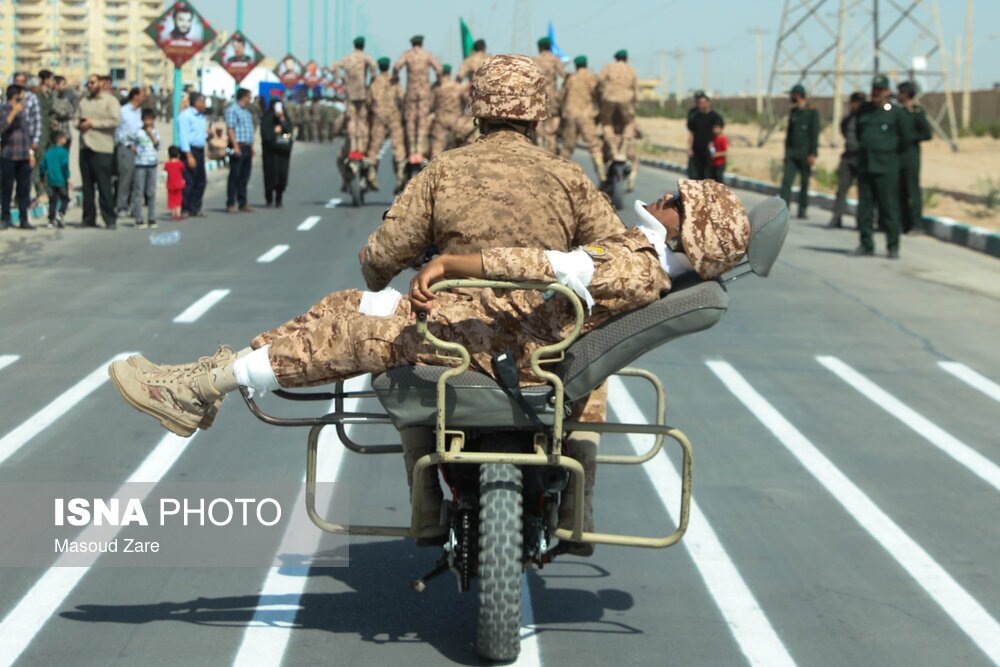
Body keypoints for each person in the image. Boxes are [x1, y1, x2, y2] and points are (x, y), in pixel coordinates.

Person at [108, 179, 750, 555]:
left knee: (357, 331)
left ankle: (200, 386)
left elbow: (546, 267)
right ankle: (210, 382)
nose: (666, 196)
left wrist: (452, 266)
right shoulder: (648, 264)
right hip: (509, 333)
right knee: (350, 306)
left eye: (679, 202)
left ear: (688, 231)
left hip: (494, 343)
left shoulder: (634, 267)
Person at [851, 75, 912, 259]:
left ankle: (892, 246)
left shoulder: (895, 112)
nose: (876, 93)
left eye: (880, 90)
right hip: (866, 165)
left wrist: (889, 155)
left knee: (889, 208)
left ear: (887, 91)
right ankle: (866, 243)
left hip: (886, 168)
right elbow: (861, 134)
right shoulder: (865, 110)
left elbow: (906, 139)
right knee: (865, 208)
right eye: (874, 90)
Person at [74, 74, 121, 229]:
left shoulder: (110, 101)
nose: (90, 85)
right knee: (87, 186)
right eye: (88, 83)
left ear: (101, 83)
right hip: (85, 147)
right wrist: (80, 124)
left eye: (93, 83)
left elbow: (115, 121)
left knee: (104, 185)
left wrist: (93, 123)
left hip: (102, 148)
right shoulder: (84, 101)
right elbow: (75, 119)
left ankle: (109, 218)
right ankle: (88, 218)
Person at [393, 35, 443, 163]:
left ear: (412, 44)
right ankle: (420, 150)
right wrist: (439, 81)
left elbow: (396, 67)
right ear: (422, 43)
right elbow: (438, 69)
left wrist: (395, 78)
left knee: (410, 121)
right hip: (424, 93)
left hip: (411, 93)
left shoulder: (407, 55)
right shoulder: (427, 55)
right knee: (422, 121)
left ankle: (412, 150)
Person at [597, 49, 639, 190]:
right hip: (626, 98)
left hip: (609, 97)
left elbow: (600, 81)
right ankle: (623, 149)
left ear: (615, 58)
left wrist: (604, 93)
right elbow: (636, 89)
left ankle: (614, 150)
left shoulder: (609, 67)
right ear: (626, 59)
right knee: (629, 122)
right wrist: (635, 104)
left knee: (606, 122)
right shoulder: (631, 70)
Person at [332, 36, 378, 157]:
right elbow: (374, 66)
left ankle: (353, 146)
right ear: (363, 45)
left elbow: (334, 67)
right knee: (362, 120)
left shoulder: (347, 58)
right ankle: (361, 147)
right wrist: (372, 80)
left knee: (352, 120)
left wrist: (340, 79)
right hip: (362, 93)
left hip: (350, 94)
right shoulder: (365, 57)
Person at [779, 84, 820, 219]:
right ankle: (783, 209)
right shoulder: (794, 112)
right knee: (786, 182)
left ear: (798, 95)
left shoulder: (812, 112)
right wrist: (786, 154)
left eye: (792, 95)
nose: (791, 97)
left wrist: (813, 153)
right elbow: (789, 135)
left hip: (805, 153)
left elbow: (814, 134)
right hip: (792, 153)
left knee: (804, 183)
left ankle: (802, 210)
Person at [897, 80, 932, 234]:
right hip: (898, 155)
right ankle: (904, 223)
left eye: (900, 92)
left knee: (912, 190)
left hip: (911, 155)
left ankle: (917, 224)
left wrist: (911, 137)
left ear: (906, 94)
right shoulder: (897, 111)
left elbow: (927, 134)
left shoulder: (917, 111)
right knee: (900, 190)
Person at [366, 57, 407, 192]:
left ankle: (371, 175)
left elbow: (368, 100)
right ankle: (401, 176)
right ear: (388, 67)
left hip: (378, 116)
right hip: (393, 116)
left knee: (374, 147)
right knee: (398, 147)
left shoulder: (374, 81)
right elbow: (401, 98)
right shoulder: (394, 81)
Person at [827, 91, 866, 229]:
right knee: (842, 189)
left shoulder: (867, 119)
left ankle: (862, 221)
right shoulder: (848, 119)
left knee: (863, 193)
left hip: (862, 158)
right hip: (848, 156)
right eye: (854, 102)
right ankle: (836, 217)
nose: (856, 105)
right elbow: (844, 130)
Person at [560, 55, 603, 179]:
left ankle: (560, 172)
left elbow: (561, 96)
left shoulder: (571, 79)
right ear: (586, 64)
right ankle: (600, 171)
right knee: (594, 145)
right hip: (586, 115)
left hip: (571, 115)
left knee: (567, 147)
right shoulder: (592, 77)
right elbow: (599, 94)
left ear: (576, 65)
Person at [0, 85, 36, 230]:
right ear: (14, 97)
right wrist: (13, 113)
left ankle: (24, 219)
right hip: (8, 155)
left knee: (23, 190)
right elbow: (1, 128)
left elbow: (28, 134)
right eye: (21, 97)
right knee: (6, 189)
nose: (23, 100)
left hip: (23, 155)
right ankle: (5, 218)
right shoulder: (3, 110)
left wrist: (31, 153)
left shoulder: (24, 112)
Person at [428, 64, 474, 159]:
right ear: (450, 73)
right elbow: (468, 102)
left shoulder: (436, 87)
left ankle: (434, 171)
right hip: (456, 121)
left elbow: (430, 104)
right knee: (456, 149)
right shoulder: (458, 87)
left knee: (437, 148)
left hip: (440, 121)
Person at [225, 88, 256, 213]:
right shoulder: (232, 110)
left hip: (247, 146)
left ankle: (243, 202)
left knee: (245, 176)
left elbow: (249, 130)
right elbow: (230, 128)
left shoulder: (247, 112)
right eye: (249, 96)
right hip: (237, 146)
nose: (250, 99)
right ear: (243, 97)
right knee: (235, 175)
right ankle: (231, 202)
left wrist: (252, 146)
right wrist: (235, 145)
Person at [116, 87, 146, 217]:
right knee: (125, 178)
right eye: (142, 94)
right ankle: (122, 206)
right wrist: (128, 144)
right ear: (135, 96)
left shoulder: (141, 112)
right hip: (126, 148)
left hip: (141, 149)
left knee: (138, 180)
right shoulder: (123, 111)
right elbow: (119, 131)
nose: (144, 97)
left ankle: (135, 207)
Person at [533, 36, 566, 154]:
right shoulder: (555, 59)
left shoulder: (534, 60)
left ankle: (539, 146)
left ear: (540, 47)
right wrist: (561, 94)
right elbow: (564, 75)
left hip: (536, 96)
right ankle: (551, 155)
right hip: (551, 96)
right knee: (551, 129)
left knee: (537, 123)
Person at [178, 92, 208, 217]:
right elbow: (184, 136)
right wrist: (189, 155)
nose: (205, 105)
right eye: (203, 102)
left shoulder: (201, 116)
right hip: (190, 150)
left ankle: (195, 207)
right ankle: (185, 207)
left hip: (200, 150)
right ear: (197, 102)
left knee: (201, 180)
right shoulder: (186, 116)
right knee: (188, 181)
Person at [129, 108, 160, 228]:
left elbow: (158, 146)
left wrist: (151, 134)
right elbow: (128, 141)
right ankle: (138, 218)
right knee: (138, 191)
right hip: (140, 164)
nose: (148, 122)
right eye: (146, 120)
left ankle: (152, 218)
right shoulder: (138, 132)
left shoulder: (156, 132)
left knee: (151, 192)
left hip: (152, 164)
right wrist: (133, 148)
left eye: (150, 120)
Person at [260, 98, 293, 208]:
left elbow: (289, 133)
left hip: (282, 153)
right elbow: (265, 134)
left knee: (281, 176)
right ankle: (269, 199)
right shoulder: (267, 118)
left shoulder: (285, 118)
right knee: (270, 176)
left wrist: (282, 120)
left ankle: (279, 199)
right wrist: (274, 132)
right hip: (270, 154)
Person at [687, 92, 722, 180]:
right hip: (696, 150)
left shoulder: (715, 117)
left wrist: (713, 146)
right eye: (699, 103)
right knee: (696, 175)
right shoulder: (695, 117)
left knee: (709, 175)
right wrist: (689, 148)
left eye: (703, 102)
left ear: (708, 103)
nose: (701, 105)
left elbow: (719, 134)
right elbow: (692, 134)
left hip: (709, 151)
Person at [40, 130, 70, 228]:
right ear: (60, 139)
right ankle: (60, 213)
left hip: (51, 181)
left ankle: (51, 220)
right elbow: (65, 166)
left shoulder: (48, 152)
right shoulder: (64, 152)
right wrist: (68, 177)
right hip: (61, 180)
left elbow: (42, 166)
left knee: (53, 200)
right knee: (65, 198)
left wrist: (41, 178)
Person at [51, 76, 75, 152]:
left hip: (66, 134)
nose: (66, 86)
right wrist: (64, 114)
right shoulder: (51, 98)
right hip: (55, 135)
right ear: (56, 85)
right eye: (63, 84)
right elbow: (60, 112)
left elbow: (72, 113)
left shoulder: (65, 98)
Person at [165, 146, 186, 220]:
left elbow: (165, 169)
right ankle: (178, 214)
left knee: (171, 200)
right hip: (179, 184)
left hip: (170, 185)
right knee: (178, 200)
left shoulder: (167, 164)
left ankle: (173, 215)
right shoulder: (180, 163)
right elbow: (183, 169)